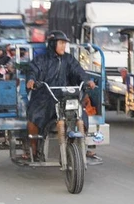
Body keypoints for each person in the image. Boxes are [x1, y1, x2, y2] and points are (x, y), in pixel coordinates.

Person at [25, 30, 96, 160]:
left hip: (65, 96)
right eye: (61, 43)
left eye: (65, 43)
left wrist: (87, 81)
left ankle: (82, 146)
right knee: (34, 116)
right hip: (45, 96)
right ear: (52, 44)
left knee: (82, 114)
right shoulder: (41, 60)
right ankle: (33, 149)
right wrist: (31, 81)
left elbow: (79, 72)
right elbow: (33, 71)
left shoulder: (69, 59)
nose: (64, 46)